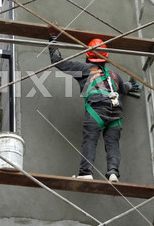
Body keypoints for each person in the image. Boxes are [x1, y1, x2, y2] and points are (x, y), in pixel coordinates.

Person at [49, 36, 139, 182]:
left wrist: (52, 41)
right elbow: (124, 88)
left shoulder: (83, 69)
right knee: (112, 143)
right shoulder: (113, 75)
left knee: (90, 139)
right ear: (105, 57)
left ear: (88, 54)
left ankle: (86, 173)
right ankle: (113, 173)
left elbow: (57, 61)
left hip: (97, 108)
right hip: (116, 110)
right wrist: (131, 86)